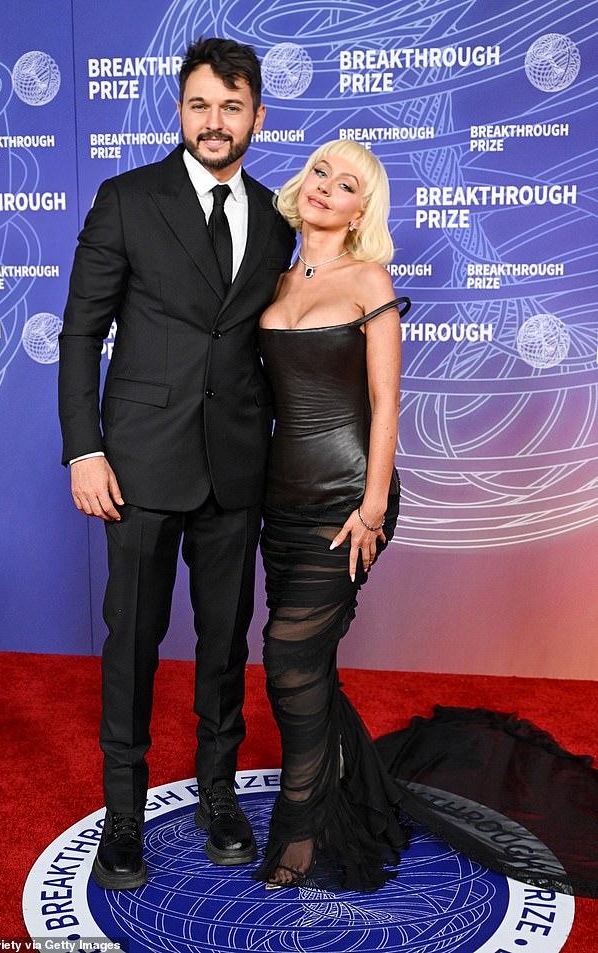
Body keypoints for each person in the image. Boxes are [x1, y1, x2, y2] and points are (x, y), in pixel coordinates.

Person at [58, 37, 295, 890]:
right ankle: (124, 814)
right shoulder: (126, 200)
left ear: (256, 117)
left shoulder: (277, 217)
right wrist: (85, 448)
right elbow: (81, 331)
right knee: (133, 646)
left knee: (226, 645)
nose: (215, 122)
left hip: (237, 469)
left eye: (232, 107)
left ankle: (219, 797)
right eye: (200, 105)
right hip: (138, 467)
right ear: (180, 110)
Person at [252, 139, 412, 891]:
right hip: (279, 502)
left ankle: (301, 824)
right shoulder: (273, 278)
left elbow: (386, 405)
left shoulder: (368, 277)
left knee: (286, 656)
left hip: (349, 500)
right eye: (321, 171)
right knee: (307, 662)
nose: (325, 188)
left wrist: (373, 507)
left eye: (346, 184)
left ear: (358, 211)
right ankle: (344, 777)